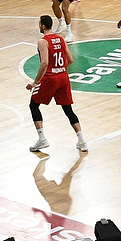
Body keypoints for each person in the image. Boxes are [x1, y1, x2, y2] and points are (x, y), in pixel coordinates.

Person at [26, 13, 88, 156]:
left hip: (50, 78)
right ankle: (82, 141)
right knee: (68, 110)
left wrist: (35, 82)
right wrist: (61, 70)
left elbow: (45, 62)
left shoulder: (43, 41)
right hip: (63, 77)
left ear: (42, 25)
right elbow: (71, 59)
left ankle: (42, 139)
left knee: (33, 105)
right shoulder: (60, 38)